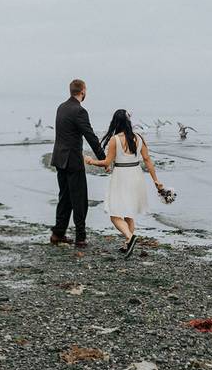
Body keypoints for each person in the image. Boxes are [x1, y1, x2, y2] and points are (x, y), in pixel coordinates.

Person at [85, 109, 163, 258]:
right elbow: (147, 161)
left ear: (115, 123)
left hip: (121, 176)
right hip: (136, 176)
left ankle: (129, 237)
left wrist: (91, 161)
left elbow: (107, 162)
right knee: (129, 213)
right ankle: (128, 245)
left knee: (114, 213)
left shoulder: (115, 139)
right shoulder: (139, 138)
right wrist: (156, 181)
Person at [50, 79, 105, 248]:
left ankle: (58, 233)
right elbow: (90, 136)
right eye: (86, 90)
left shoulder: (61, 107)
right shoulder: (79, 111)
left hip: (59, 159)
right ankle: (80, 238)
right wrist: (103, 159)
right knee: (79, 199)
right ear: (82, 91)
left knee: (64, 197)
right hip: (73, 161)